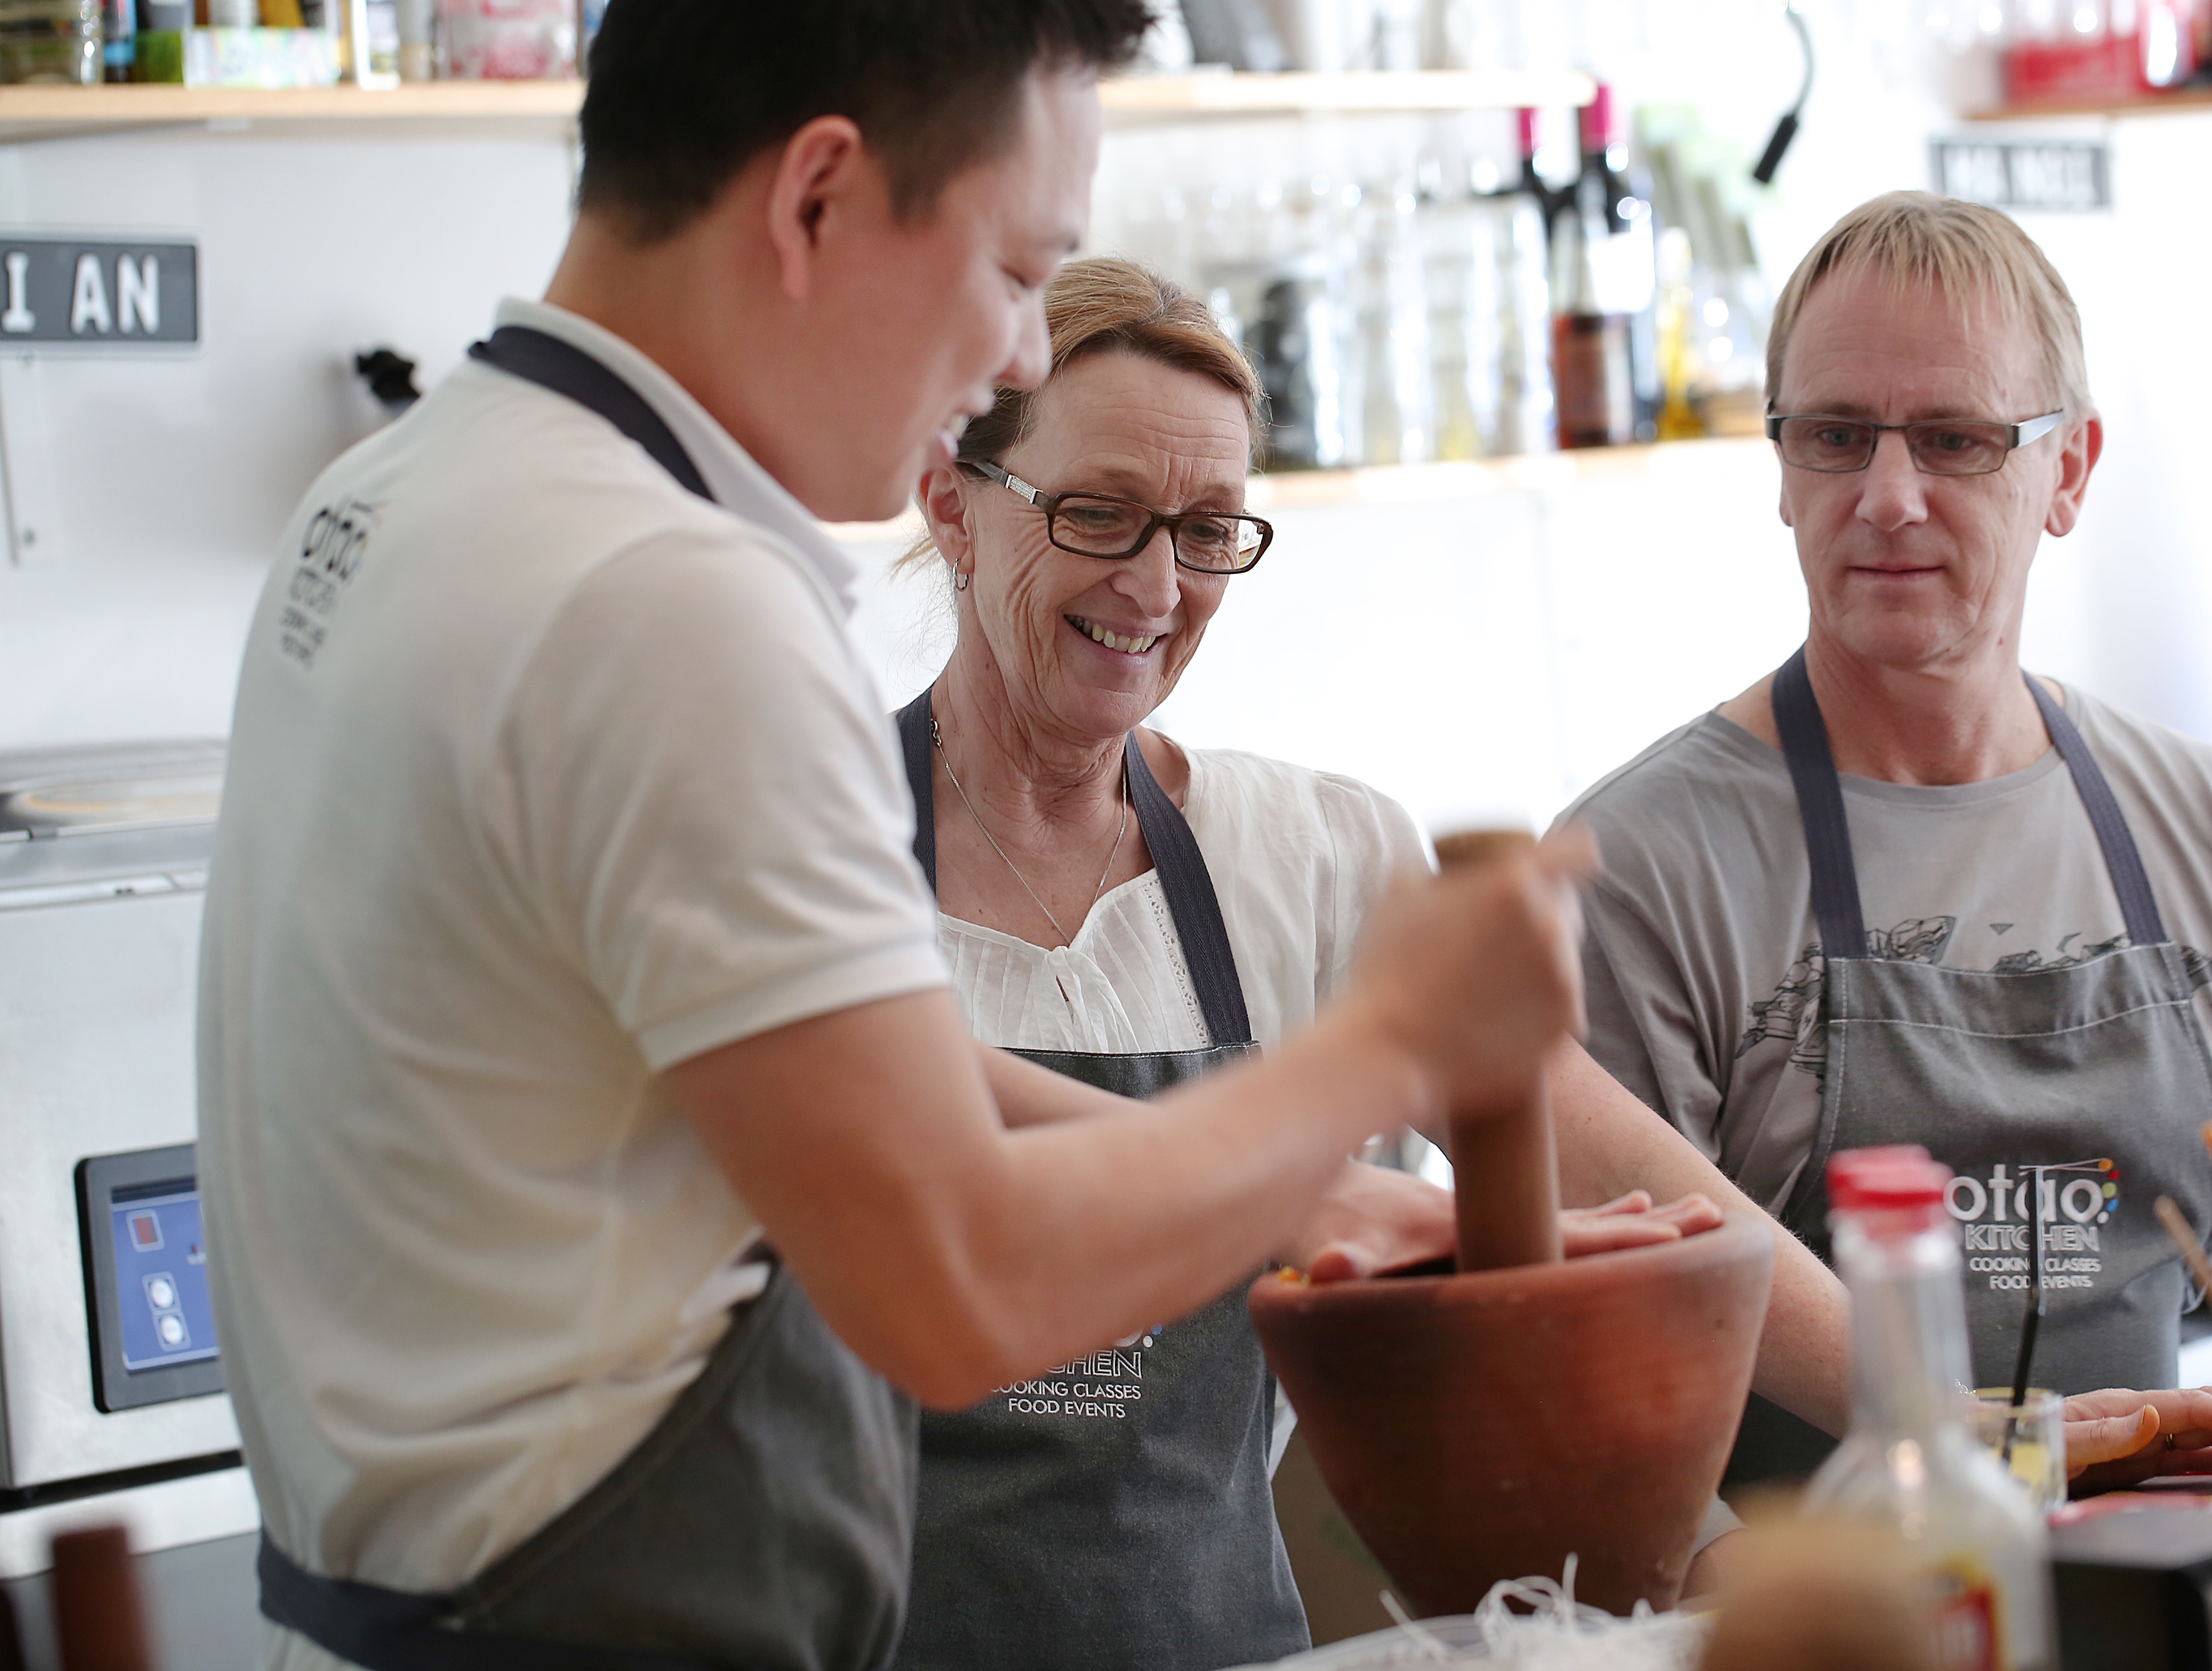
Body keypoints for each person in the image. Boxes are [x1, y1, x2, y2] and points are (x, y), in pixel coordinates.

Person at [195, 9, 1604, 1671]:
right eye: (1017, 268)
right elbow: (961, 1291)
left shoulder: (413, 491)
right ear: (818, 199)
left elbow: (810, 1056)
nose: (1015, 357)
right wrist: (1384, 1046)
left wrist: (1303, 1187)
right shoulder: (677, 608)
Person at [889, 255, 1860, 1667]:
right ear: (948, 504)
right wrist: (1307, 1180)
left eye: (1209, 530)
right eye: (1098, 513)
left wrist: (1944, 1416)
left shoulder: (1315, 857)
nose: (1155, 584)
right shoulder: (807, 853)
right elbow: (891, 1092)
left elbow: (1635, 1183)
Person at [1562, 191, 2212, 1485]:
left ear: (2067, 470)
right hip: (1820, 1612)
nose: (1888, 497)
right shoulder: (1637, 868)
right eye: (1838, 436)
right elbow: (1599, 1351)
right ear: (1784, 466)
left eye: (1954, 439)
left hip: (2157, 1574)